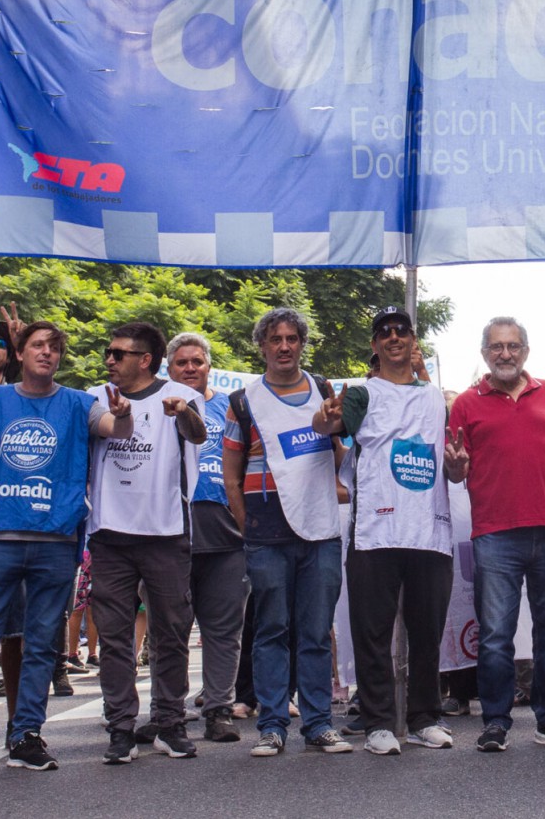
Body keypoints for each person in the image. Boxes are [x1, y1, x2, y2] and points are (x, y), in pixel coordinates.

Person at [0, 321, 99, 773]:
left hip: (56, 540)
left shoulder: (78, 403)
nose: (47, 353)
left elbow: (112, 424)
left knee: (40, 648)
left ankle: (26, 735)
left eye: (55, 346)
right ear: (20, 351)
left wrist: (125, 413)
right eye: (37, 345)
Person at [319, 305, 456, 755]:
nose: (394, 337)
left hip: (429, 530)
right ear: (375, 345)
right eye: (385, 332)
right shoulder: (360, 392)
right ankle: (378, 721)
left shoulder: (435, 396)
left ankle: (424, 718)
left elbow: (447, 448)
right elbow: (331, 424)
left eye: (402, 331)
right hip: (376, 528)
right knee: (372, 631)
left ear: (414, 342)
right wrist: (326, 417)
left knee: (427, 632)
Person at [445, 317, 545, 752]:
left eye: (512, 346)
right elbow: (455, 470)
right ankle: (496, 721)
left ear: (525, 351)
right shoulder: (465, 404)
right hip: (495, 534)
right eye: (496, 347)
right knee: (495, 635)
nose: (504, 354)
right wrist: (455, 466)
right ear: (484, 353)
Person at [224, 308, 349, 757]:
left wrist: (335, 426)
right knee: (271, 629)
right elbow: (231, 475)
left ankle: (318, 724)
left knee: (316, 632)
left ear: (301, 343)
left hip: (319, 531)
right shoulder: (243, 401)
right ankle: (272, 725)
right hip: (266, 533)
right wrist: (248, 528)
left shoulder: (324, 391)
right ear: (262, 346)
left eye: (292, 338)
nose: (283, 346)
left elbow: (339, 457)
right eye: (274, 338)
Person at [85, 322, 207, 765]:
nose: (110, 360)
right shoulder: (96, 397)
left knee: (171, 633)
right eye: (109, 352)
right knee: (116, 638)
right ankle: (120, 727)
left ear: (145, 360)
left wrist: (184, 413)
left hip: (165, 532)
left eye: (118, 353)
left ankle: (170, 723)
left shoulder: (178, 395)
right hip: (110, 535)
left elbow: (198, 435)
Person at [169, 332, 249, 742]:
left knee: (222, 629)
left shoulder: (231, 407)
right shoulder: (156, 404)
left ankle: (219, 709)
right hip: (171, 531)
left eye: (197, 362)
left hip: (225, 532)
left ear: (209, 367)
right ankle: (167, 713)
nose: (190, 369)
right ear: (169, 368)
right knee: (172, 629)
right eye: (182, 362)